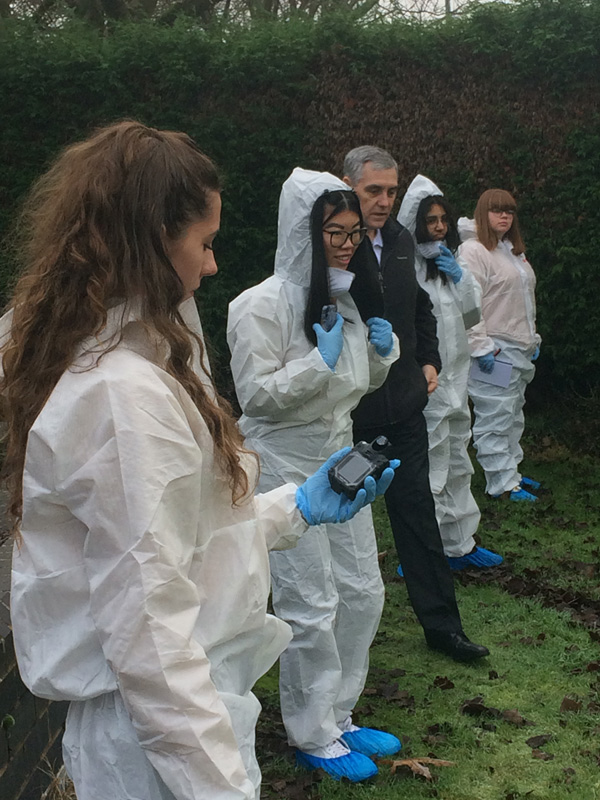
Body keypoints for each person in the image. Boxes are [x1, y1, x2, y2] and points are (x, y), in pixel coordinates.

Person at [1, 123, 395, 800]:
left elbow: (179, 545)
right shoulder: (124, 398)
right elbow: (153, 639)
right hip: (163, 734)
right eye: (205, 242)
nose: (212, 264)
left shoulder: (112, 351)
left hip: (161, 720)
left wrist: (290, 510)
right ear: (155, 239)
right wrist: (222, 787)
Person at [227, 168, 402, 783]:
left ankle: (340, 711)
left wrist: (381, 352)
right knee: (311, 602)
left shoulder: (346, 299)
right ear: (305, 230)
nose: (347, 242)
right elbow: (256, 398)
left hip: (337, 454)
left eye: (354, 231)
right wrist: (314, 363)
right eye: (335, 230)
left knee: (363, 590)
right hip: (282, 460)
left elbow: (356, 386)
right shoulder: (258, 305)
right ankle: (311, 730)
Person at [343, 146, 490, 661]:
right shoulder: (330, 246)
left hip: (404, 405)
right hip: (347, 412)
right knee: (339, 525)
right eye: (372, 191)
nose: (383, 202)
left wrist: (427, 360)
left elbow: (421, 307)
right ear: (348, 186)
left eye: (390, 191)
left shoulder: (402, 241)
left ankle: (443, 628)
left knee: (418, 516)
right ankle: (335, 639)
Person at [396, 174, 503, 570]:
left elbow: (471, 314)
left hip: (456, 380)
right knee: (430, 466)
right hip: (426, 382)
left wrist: (462, 280)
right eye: (430, 220)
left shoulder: (449, 264)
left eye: (443, 219)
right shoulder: (405, 268)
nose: (439, 227)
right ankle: (421, 551)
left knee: (458, 460)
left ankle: (460, 543)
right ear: (417, 223)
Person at [458, 189, 541, 501]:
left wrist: (534, 337)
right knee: (495, 415)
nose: (504, 216)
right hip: (493, 350)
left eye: (509, 211)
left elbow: (522, 300)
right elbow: (468, 303)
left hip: (519, 348)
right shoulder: (473, 251)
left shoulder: (510, 250)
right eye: (496, 210)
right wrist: (480, 346)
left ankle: (512, 471)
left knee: (513, 414)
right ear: (483, 213)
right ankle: (501, 483)